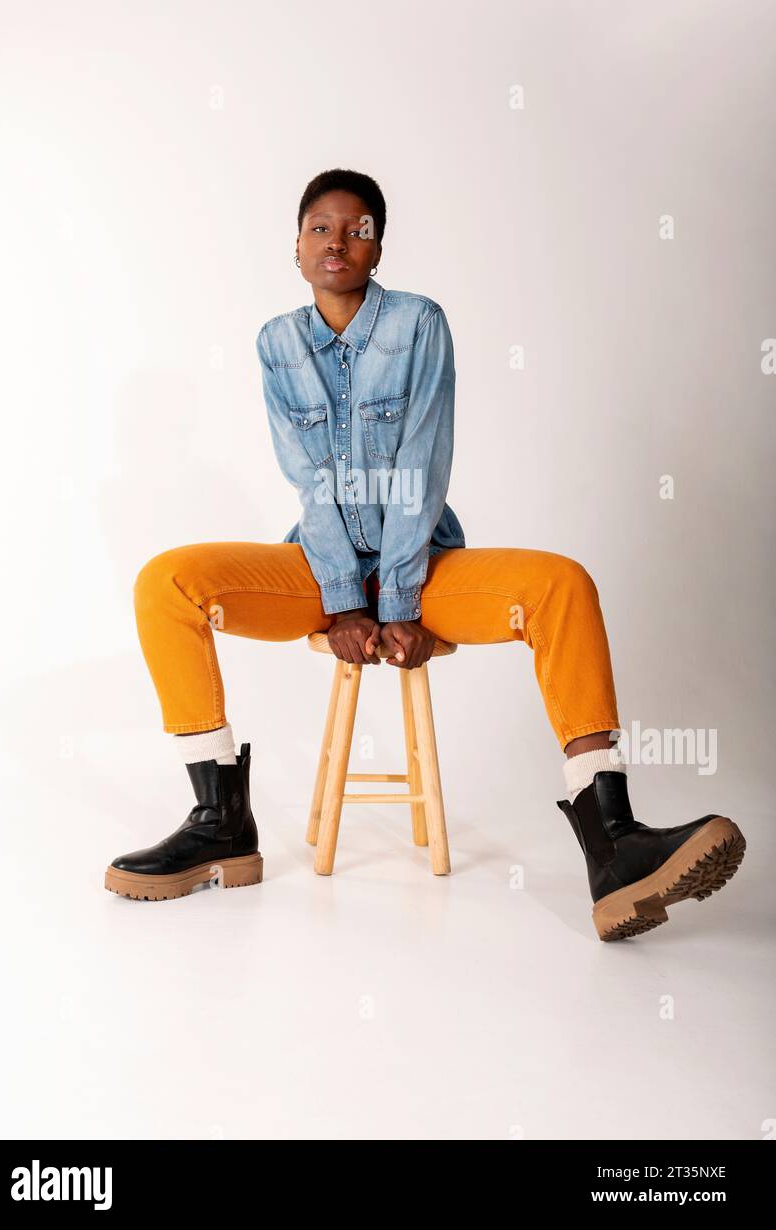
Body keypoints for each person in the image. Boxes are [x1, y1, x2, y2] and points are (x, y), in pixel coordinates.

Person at [105, 168, 746, 940]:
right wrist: (343, 598)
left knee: (561, 584)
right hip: (320, 569)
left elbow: (421, 464)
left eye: (357, 229)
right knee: (164, 581)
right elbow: (307, 480)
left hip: (423, 565)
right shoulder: (276, 342)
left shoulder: (417, 324)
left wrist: (399, 602)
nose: (336, 241)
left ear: (378, 247)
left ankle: (614, 846)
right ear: (296, 247)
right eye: (319, 228)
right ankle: (219, 820)